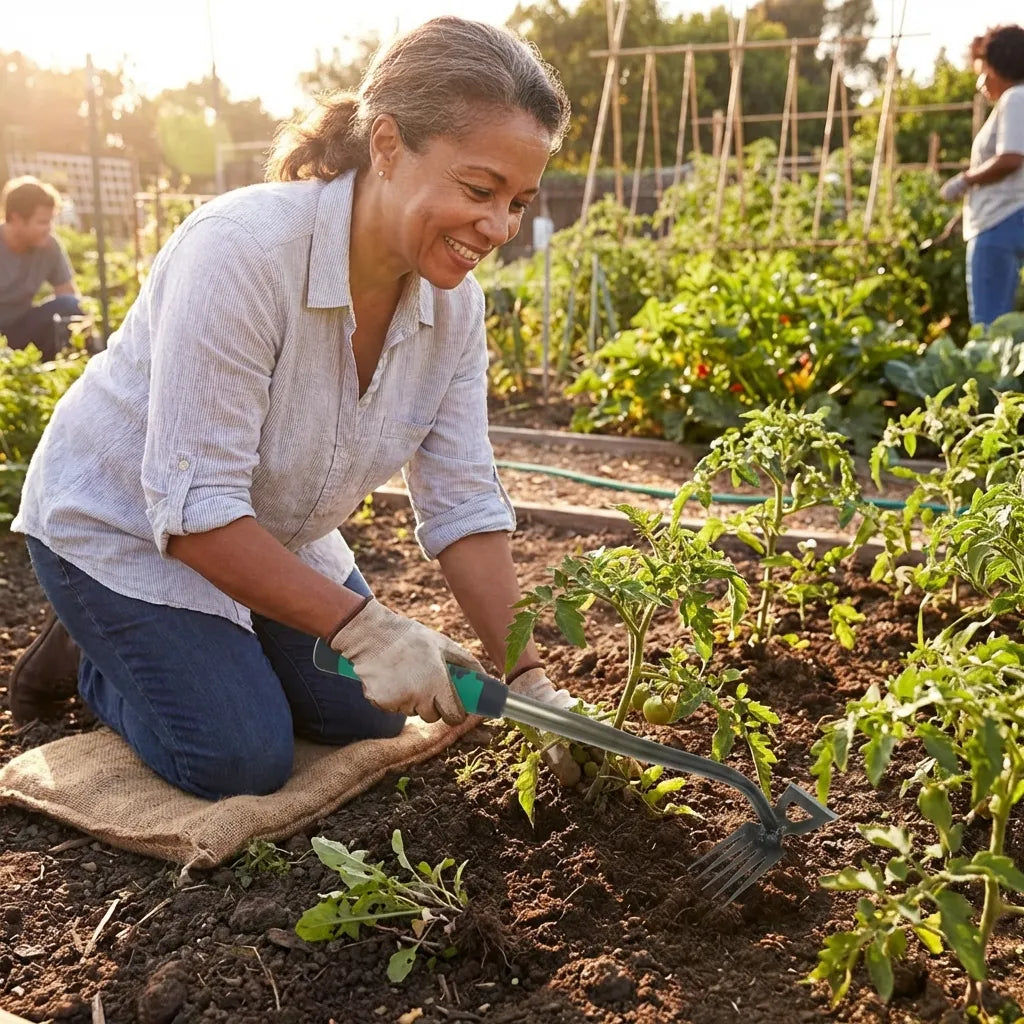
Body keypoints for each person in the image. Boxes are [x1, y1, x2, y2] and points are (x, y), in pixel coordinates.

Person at [6, 17, 579, 799]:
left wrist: (530, 674)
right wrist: (366, 627)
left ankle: (185, 649)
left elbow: (463, 500)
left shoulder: (455, 309)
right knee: (239, 756)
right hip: (123, 522)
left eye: (517, 200)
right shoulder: (241, 251)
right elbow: (197, 507)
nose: (499, 226)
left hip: (266, 529)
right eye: (479, 189)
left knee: (367, 716)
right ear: (386, 146)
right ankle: (94, 653)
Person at [940, 24, 1024, 326]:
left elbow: (1011, 158)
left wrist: (966, 181)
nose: (980, 80)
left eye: (983, 68)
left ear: (999, 67)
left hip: (1000, 222)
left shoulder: (1015, 98)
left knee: (990, 328)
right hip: (1003, 217)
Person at [0, 176, 85, 360]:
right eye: (42, 222)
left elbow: (68, 293)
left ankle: (50, 365)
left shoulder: (49, 246)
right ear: (16, 219)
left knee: (69, 305)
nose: (49, 229)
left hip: (21, 327)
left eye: (51, 221)